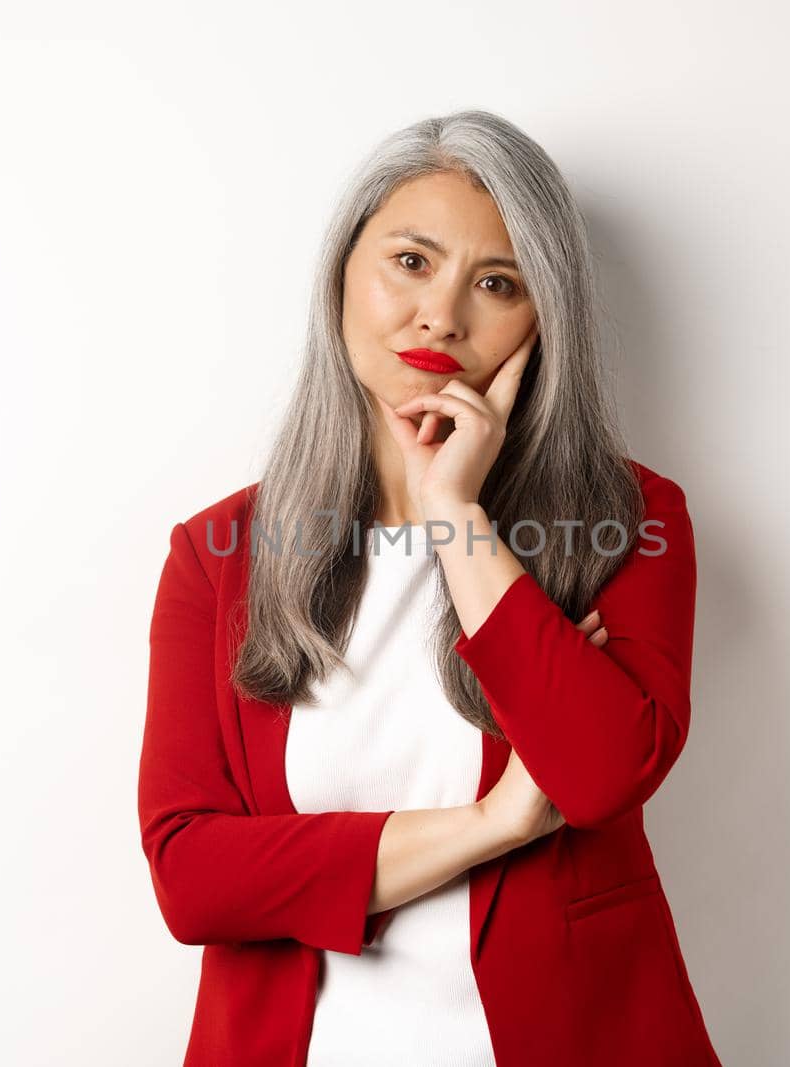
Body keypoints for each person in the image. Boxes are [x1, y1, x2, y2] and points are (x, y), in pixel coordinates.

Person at [138, 109, 725, 1066]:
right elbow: (191, 877)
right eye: (411, 262)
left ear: (543, 321)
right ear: (342, 275)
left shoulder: (632, 518)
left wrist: (456, 514)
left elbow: (601, 774)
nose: (442, 316)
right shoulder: (220, 552)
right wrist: (489, 827)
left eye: (497, 283)